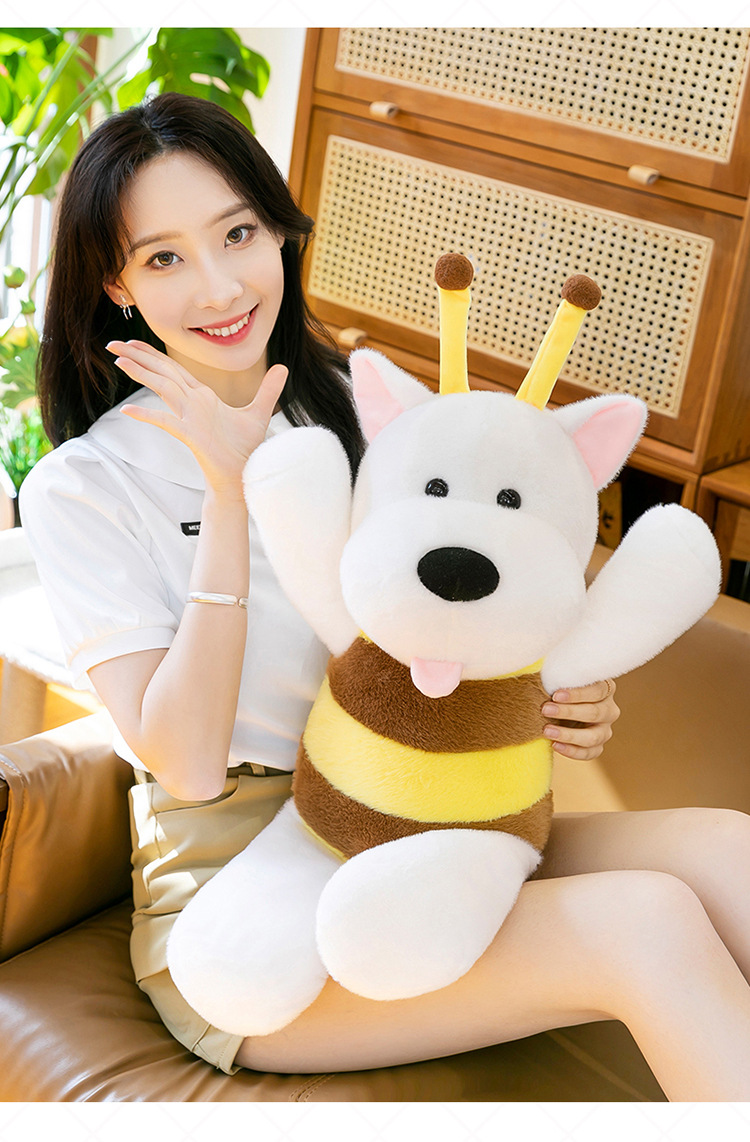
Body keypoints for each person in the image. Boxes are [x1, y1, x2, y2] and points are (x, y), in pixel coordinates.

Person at [19, 92, 750, 1100]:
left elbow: (462, 618)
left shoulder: (356, 412)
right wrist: (228, 489)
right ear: (116, 284)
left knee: (731, 851)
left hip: (439, 814)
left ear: (280, 231)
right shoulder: (84, 487)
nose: (220, 284)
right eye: (165, 257)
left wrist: (559, 691)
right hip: (248, 910)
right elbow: (184, 761)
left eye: (238, 233)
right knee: (646, 922)